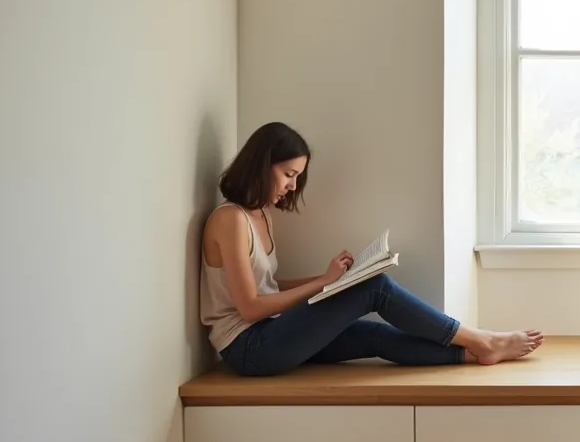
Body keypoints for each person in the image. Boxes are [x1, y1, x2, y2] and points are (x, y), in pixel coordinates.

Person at [199, 121, 543, 376]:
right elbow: (250, 307)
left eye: (296, 178)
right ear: (262, 166)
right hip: (249, 349)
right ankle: (481, 339)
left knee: (375, 336)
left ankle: (470, 354)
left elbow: (266, 287)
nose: (291, 187)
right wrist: (323, 284)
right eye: (289, 174)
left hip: (271, 333)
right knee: (375, 287)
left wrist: (329, 278)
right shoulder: (230, 219)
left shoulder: (260, 215)